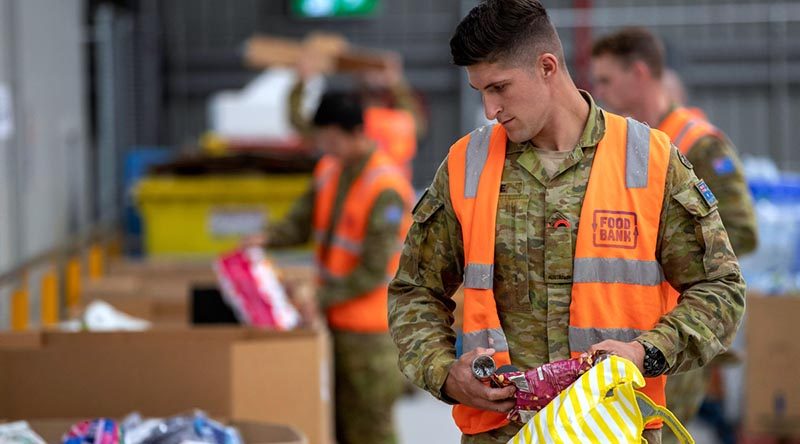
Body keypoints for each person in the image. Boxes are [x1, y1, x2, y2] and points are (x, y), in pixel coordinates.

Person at [387, 2, 746, 443]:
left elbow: (721, 289)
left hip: (614, 428)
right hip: (502, 434)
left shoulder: (650, 161)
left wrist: (644, 352)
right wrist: (444, 373)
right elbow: (414, 290)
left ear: (547, 67)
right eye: (481, 90)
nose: (489, 109)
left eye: (499, 87)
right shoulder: (467, 166)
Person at [591, 28, 757, 442]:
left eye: (607, 80)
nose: (599, 92)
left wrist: (673, 255)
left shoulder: (697, 145)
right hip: (636, 325)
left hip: (680, 324)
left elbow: (743, 230)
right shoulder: (627, 145)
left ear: (640, 74)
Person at [252, 91, 414, 444]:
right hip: (332, 323)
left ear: (356, 133)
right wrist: (265, 240)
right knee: (337, 427)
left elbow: (372, 271)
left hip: (369, 337)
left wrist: (318, 295)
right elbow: (301, 221)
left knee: (371, 430)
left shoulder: (385, 188)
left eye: (331, 140)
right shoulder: (329, 170)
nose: (326, 148)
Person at [288, 50, 426, 180]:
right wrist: (397, 84)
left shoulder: (395, 122)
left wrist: (301, 83)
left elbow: (301, 123)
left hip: (381, 193)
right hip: (378, 193)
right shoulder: (398, 122)